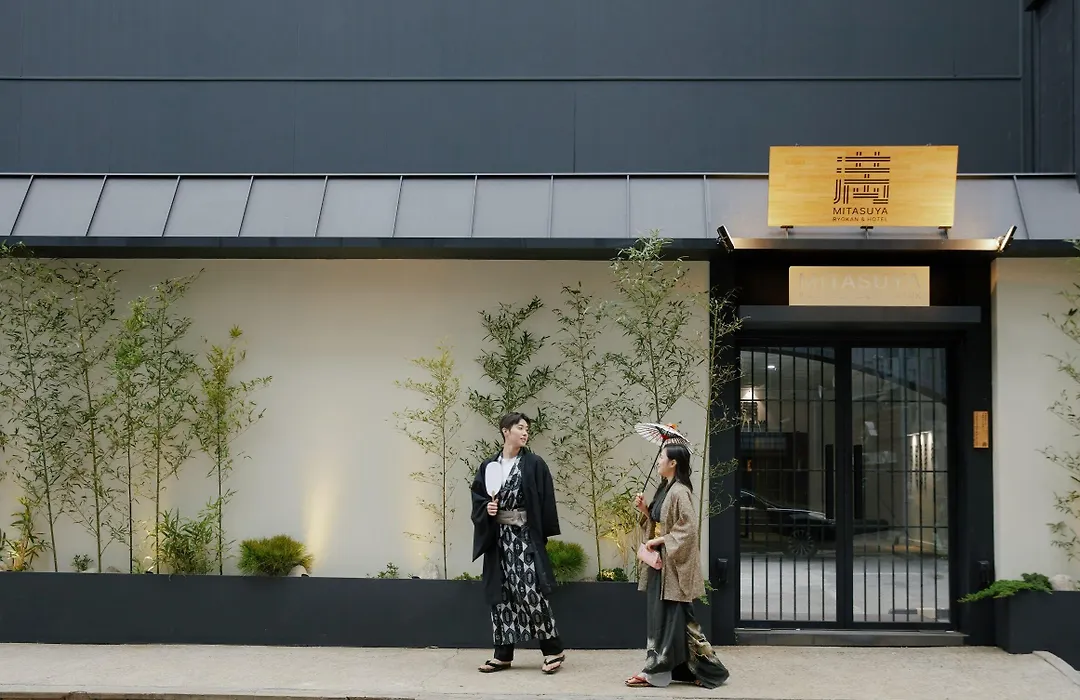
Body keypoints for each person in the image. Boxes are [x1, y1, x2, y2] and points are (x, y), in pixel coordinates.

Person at [625, 442, 730, 689]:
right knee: (677, 622)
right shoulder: (665, 488)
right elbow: (660, 521)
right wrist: (645, 510)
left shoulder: (680, 491)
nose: (658, 461)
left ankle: (655, 672)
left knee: (668, 620)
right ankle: (707, 670)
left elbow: (689, 528)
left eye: (662, 457)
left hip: (671, 568)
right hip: (662, 565)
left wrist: (660, 540)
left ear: (673, 463)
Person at [470, 412, 566, 675]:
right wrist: (487, 508)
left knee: (530, 590)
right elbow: (478, 497)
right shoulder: (489, 466)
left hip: (524, 536)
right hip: (498, 539)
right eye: (520, 428)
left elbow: (545, 499)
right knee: (501, 594)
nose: (525, 433)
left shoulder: (534, 464)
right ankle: (502, 655)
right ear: (505, 431)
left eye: (527, 429)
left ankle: (553, 650)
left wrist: (539, 533)